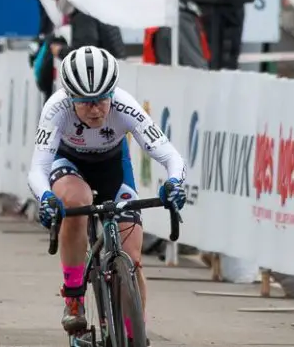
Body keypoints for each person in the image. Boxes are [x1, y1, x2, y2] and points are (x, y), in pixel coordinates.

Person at [29, 46, 187, 337]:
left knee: (133, 257)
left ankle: (133, 335)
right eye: (86, 102)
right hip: (70, 164)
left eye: (102, 99)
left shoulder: (125, 105)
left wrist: (175, 182)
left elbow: (170, 156)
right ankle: (74, 297)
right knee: (78, 200)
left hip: (113, 165)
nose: (96, 109)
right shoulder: (56, 109)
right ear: (70, 98)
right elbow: (37, 168)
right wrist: (47, 198)